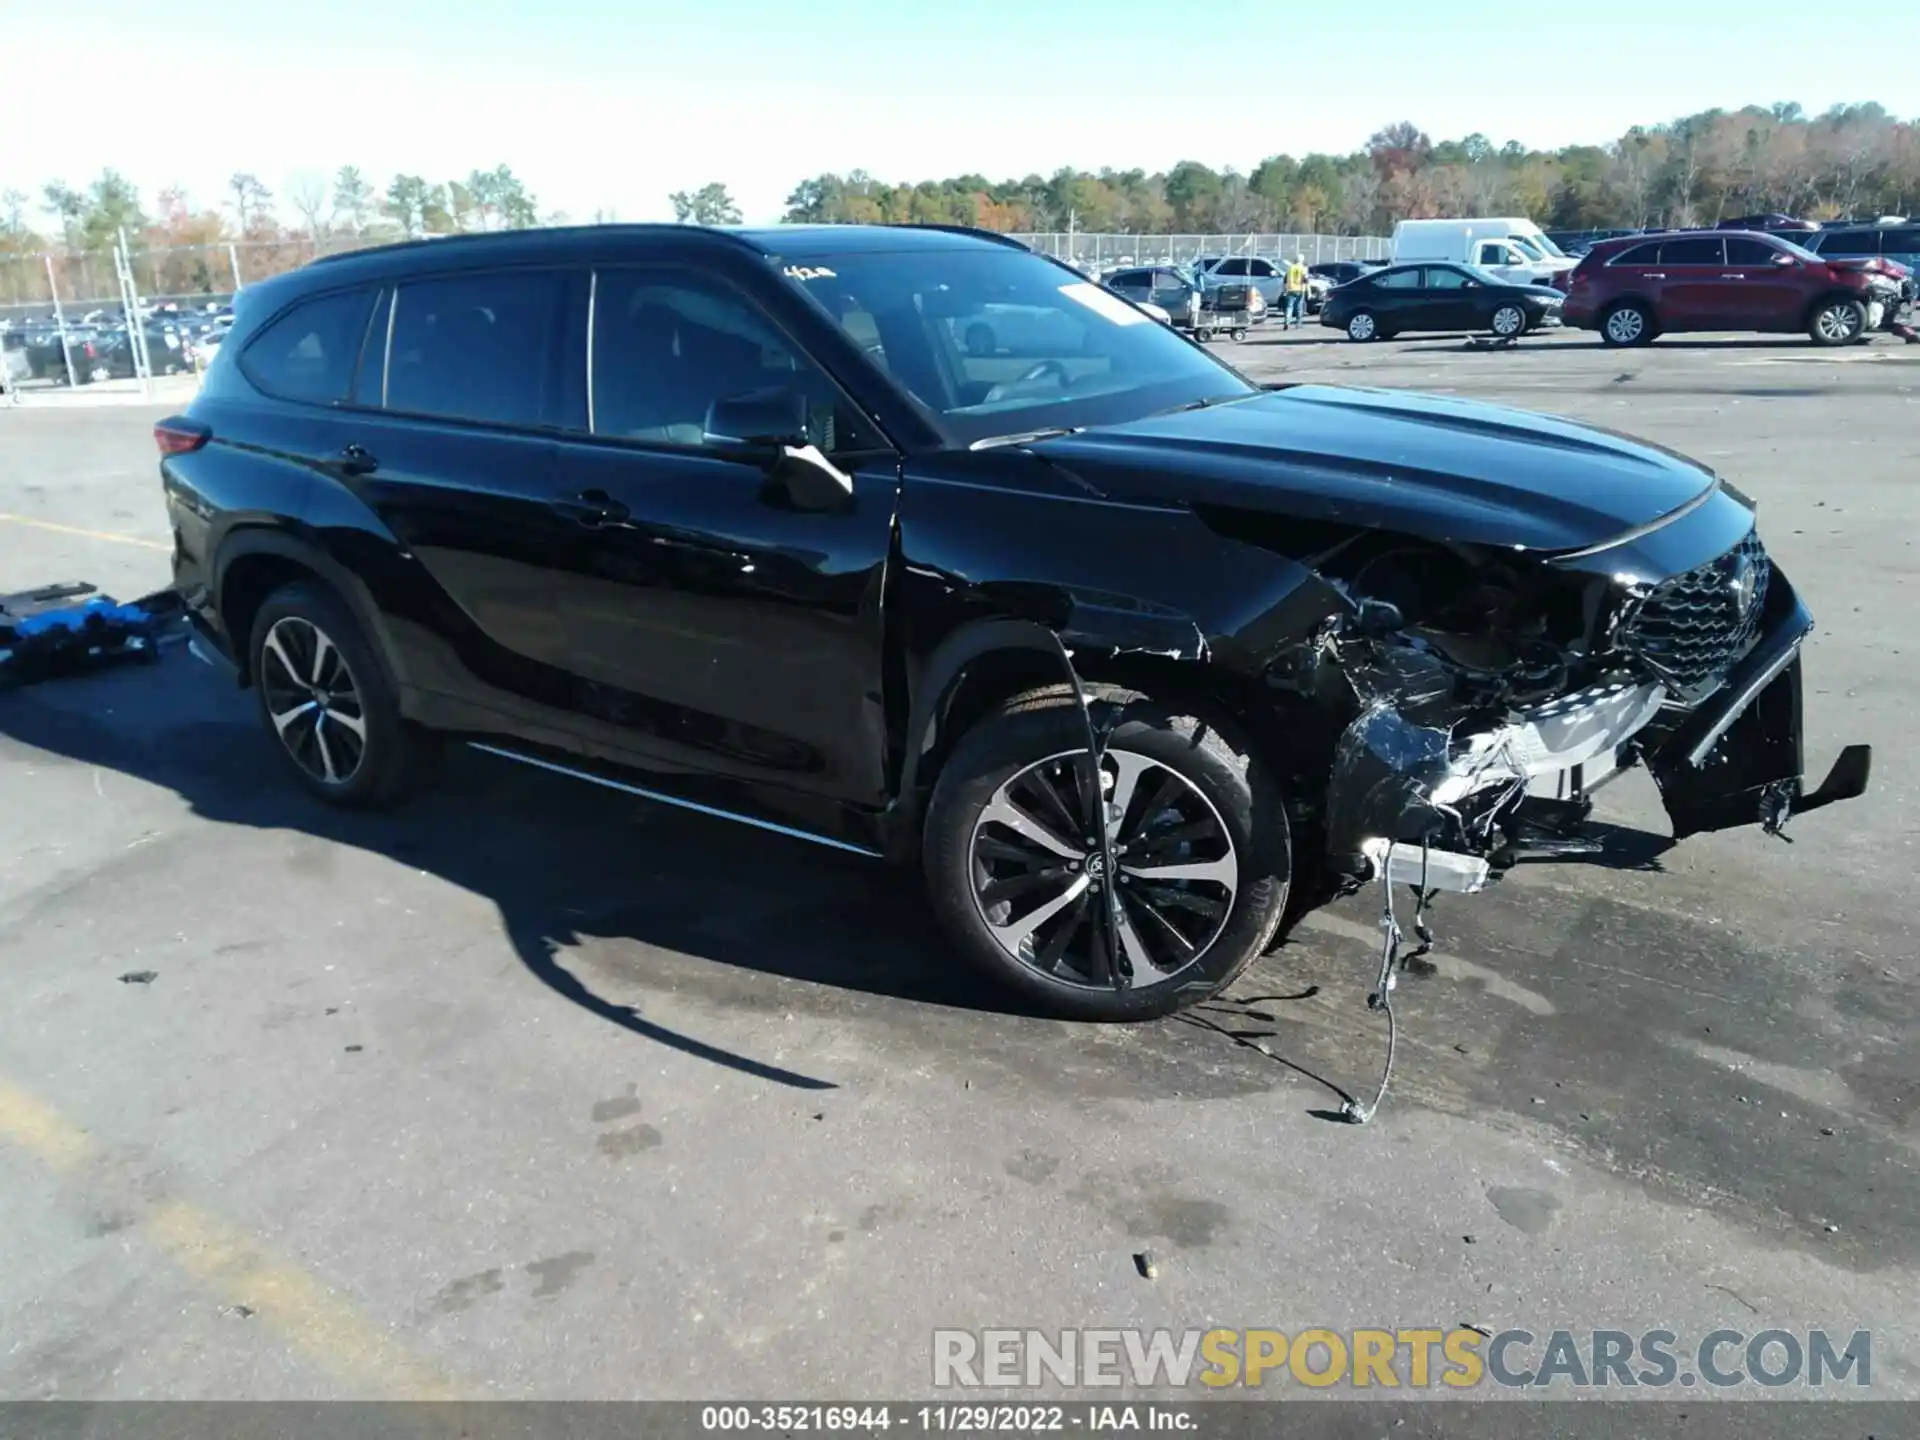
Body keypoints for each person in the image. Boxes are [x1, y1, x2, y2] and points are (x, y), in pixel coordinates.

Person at [1282, 254, 1310, 330]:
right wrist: (1309, 291)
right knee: (1299, 307)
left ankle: (1286, 322)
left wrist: (1284, 290)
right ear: (1302, 260)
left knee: (1289, 307)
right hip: (1300, 290)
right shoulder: (1303, 268)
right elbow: (1306, 280)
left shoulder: (1290, 268)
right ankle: (1298, 323)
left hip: (1290, 289)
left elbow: (1285, 280)